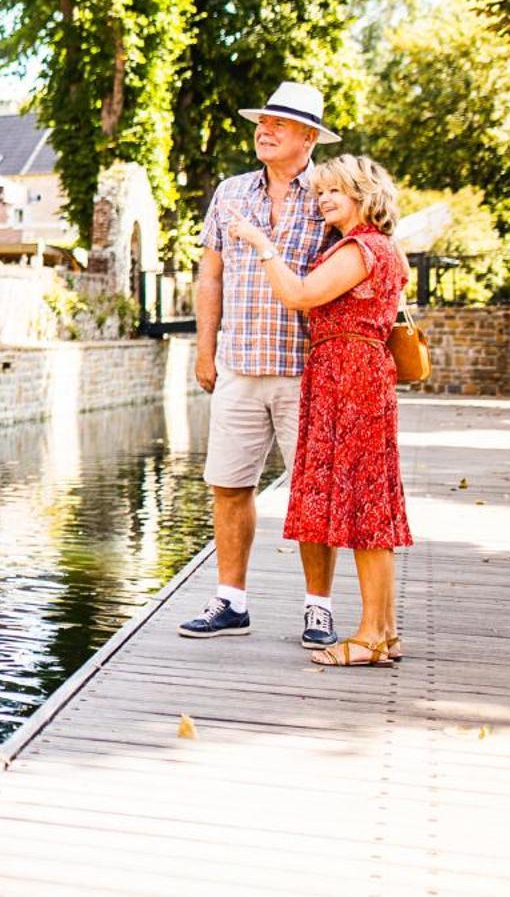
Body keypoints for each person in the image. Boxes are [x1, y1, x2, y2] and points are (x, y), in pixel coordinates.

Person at [226, 155, 411, 666]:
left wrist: (263, 245)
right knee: (368, 500)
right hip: (352, 373)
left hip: (349, 375)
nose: (324, 198)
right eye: (321, 191)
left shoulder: (360, 248)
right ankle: (384, 631)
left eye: (336, 191)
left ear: (364, 195)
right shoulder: (376, 247)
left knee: (365, 504)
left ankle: (372, 635)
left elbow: (300, 295)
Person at [180, 82, 339, 643]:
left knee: (312, 490)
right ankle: (231, 601)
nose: (264, 131)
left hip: (308, 369)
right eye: (261, 122)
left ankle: (318, 607)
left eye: (279, 124)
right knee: (228, 484)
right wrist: (204, 350)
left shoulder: (331, 194)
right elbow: (211, 275)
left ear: (309, 137)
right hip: (238, 365)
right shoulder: (230, 192)